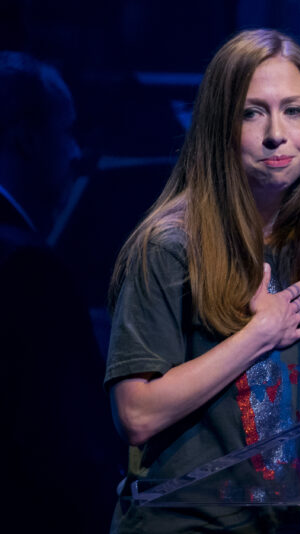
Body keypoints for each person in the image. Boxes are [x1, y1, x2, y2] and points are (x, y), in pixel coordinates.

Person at [105, 29, 300, 533]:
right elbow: (135, 414)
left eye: (295, 110)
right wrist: (258, 336)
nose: (277, 133)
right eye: (253, 112)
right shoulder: (170, 246)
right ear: (218, 126)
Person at [0, 51, 123, 532]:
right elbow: (64, 446)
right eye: (66, 132)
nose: (76, 153)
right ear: (27, 139)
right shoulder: (28, 268)